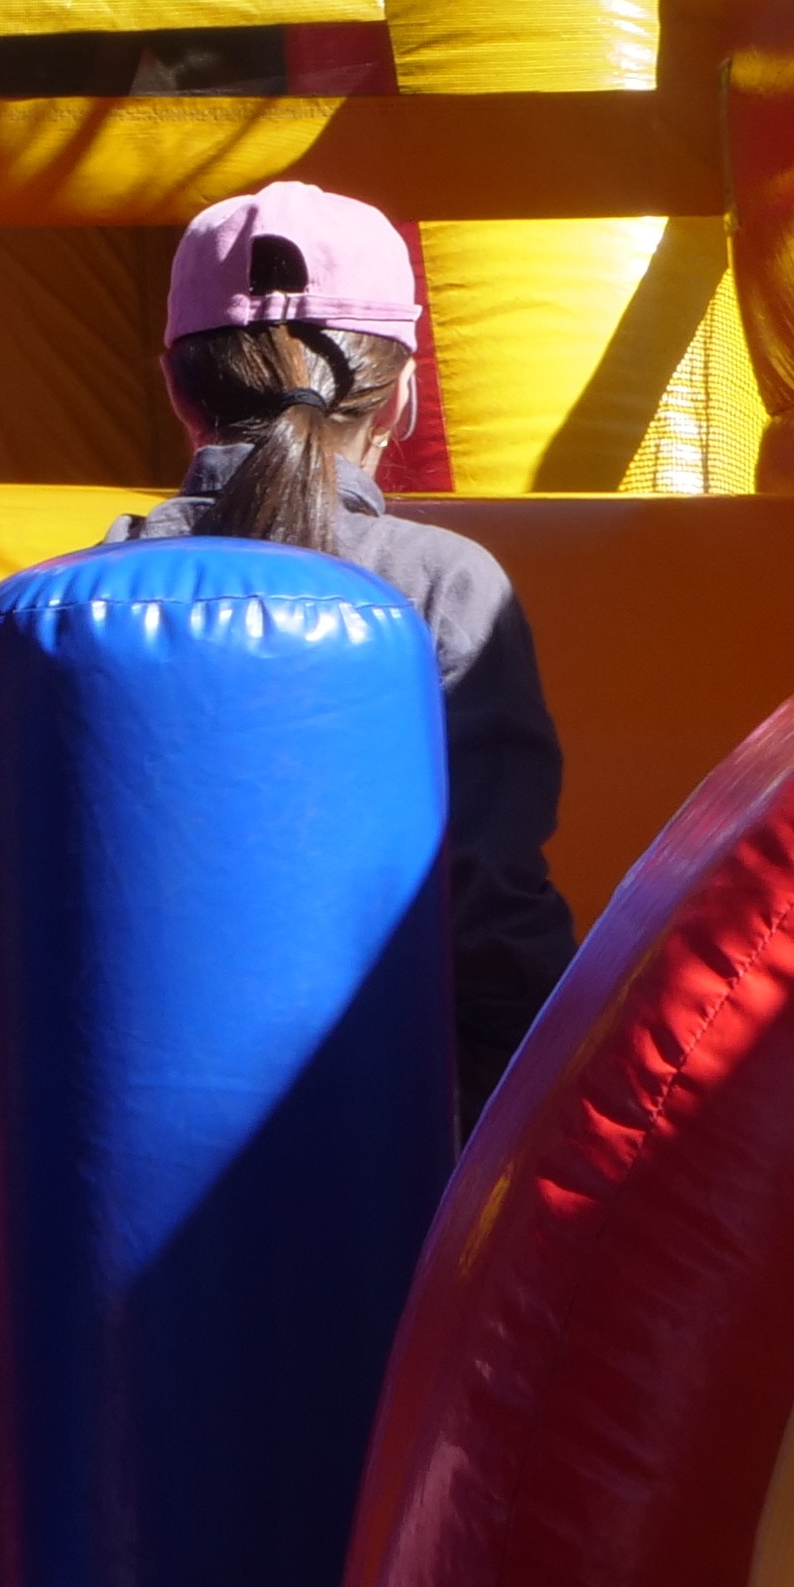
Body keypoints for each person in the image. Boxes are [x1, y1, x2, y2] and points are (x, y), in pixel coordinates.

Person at [112, 180, 576, 1116]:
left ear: (174, 387)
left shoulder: (54, 604)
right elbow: (490, 907)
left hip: (94, 1142)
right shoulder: (442, 585)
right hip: (390, 1136)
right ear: (402, 395)